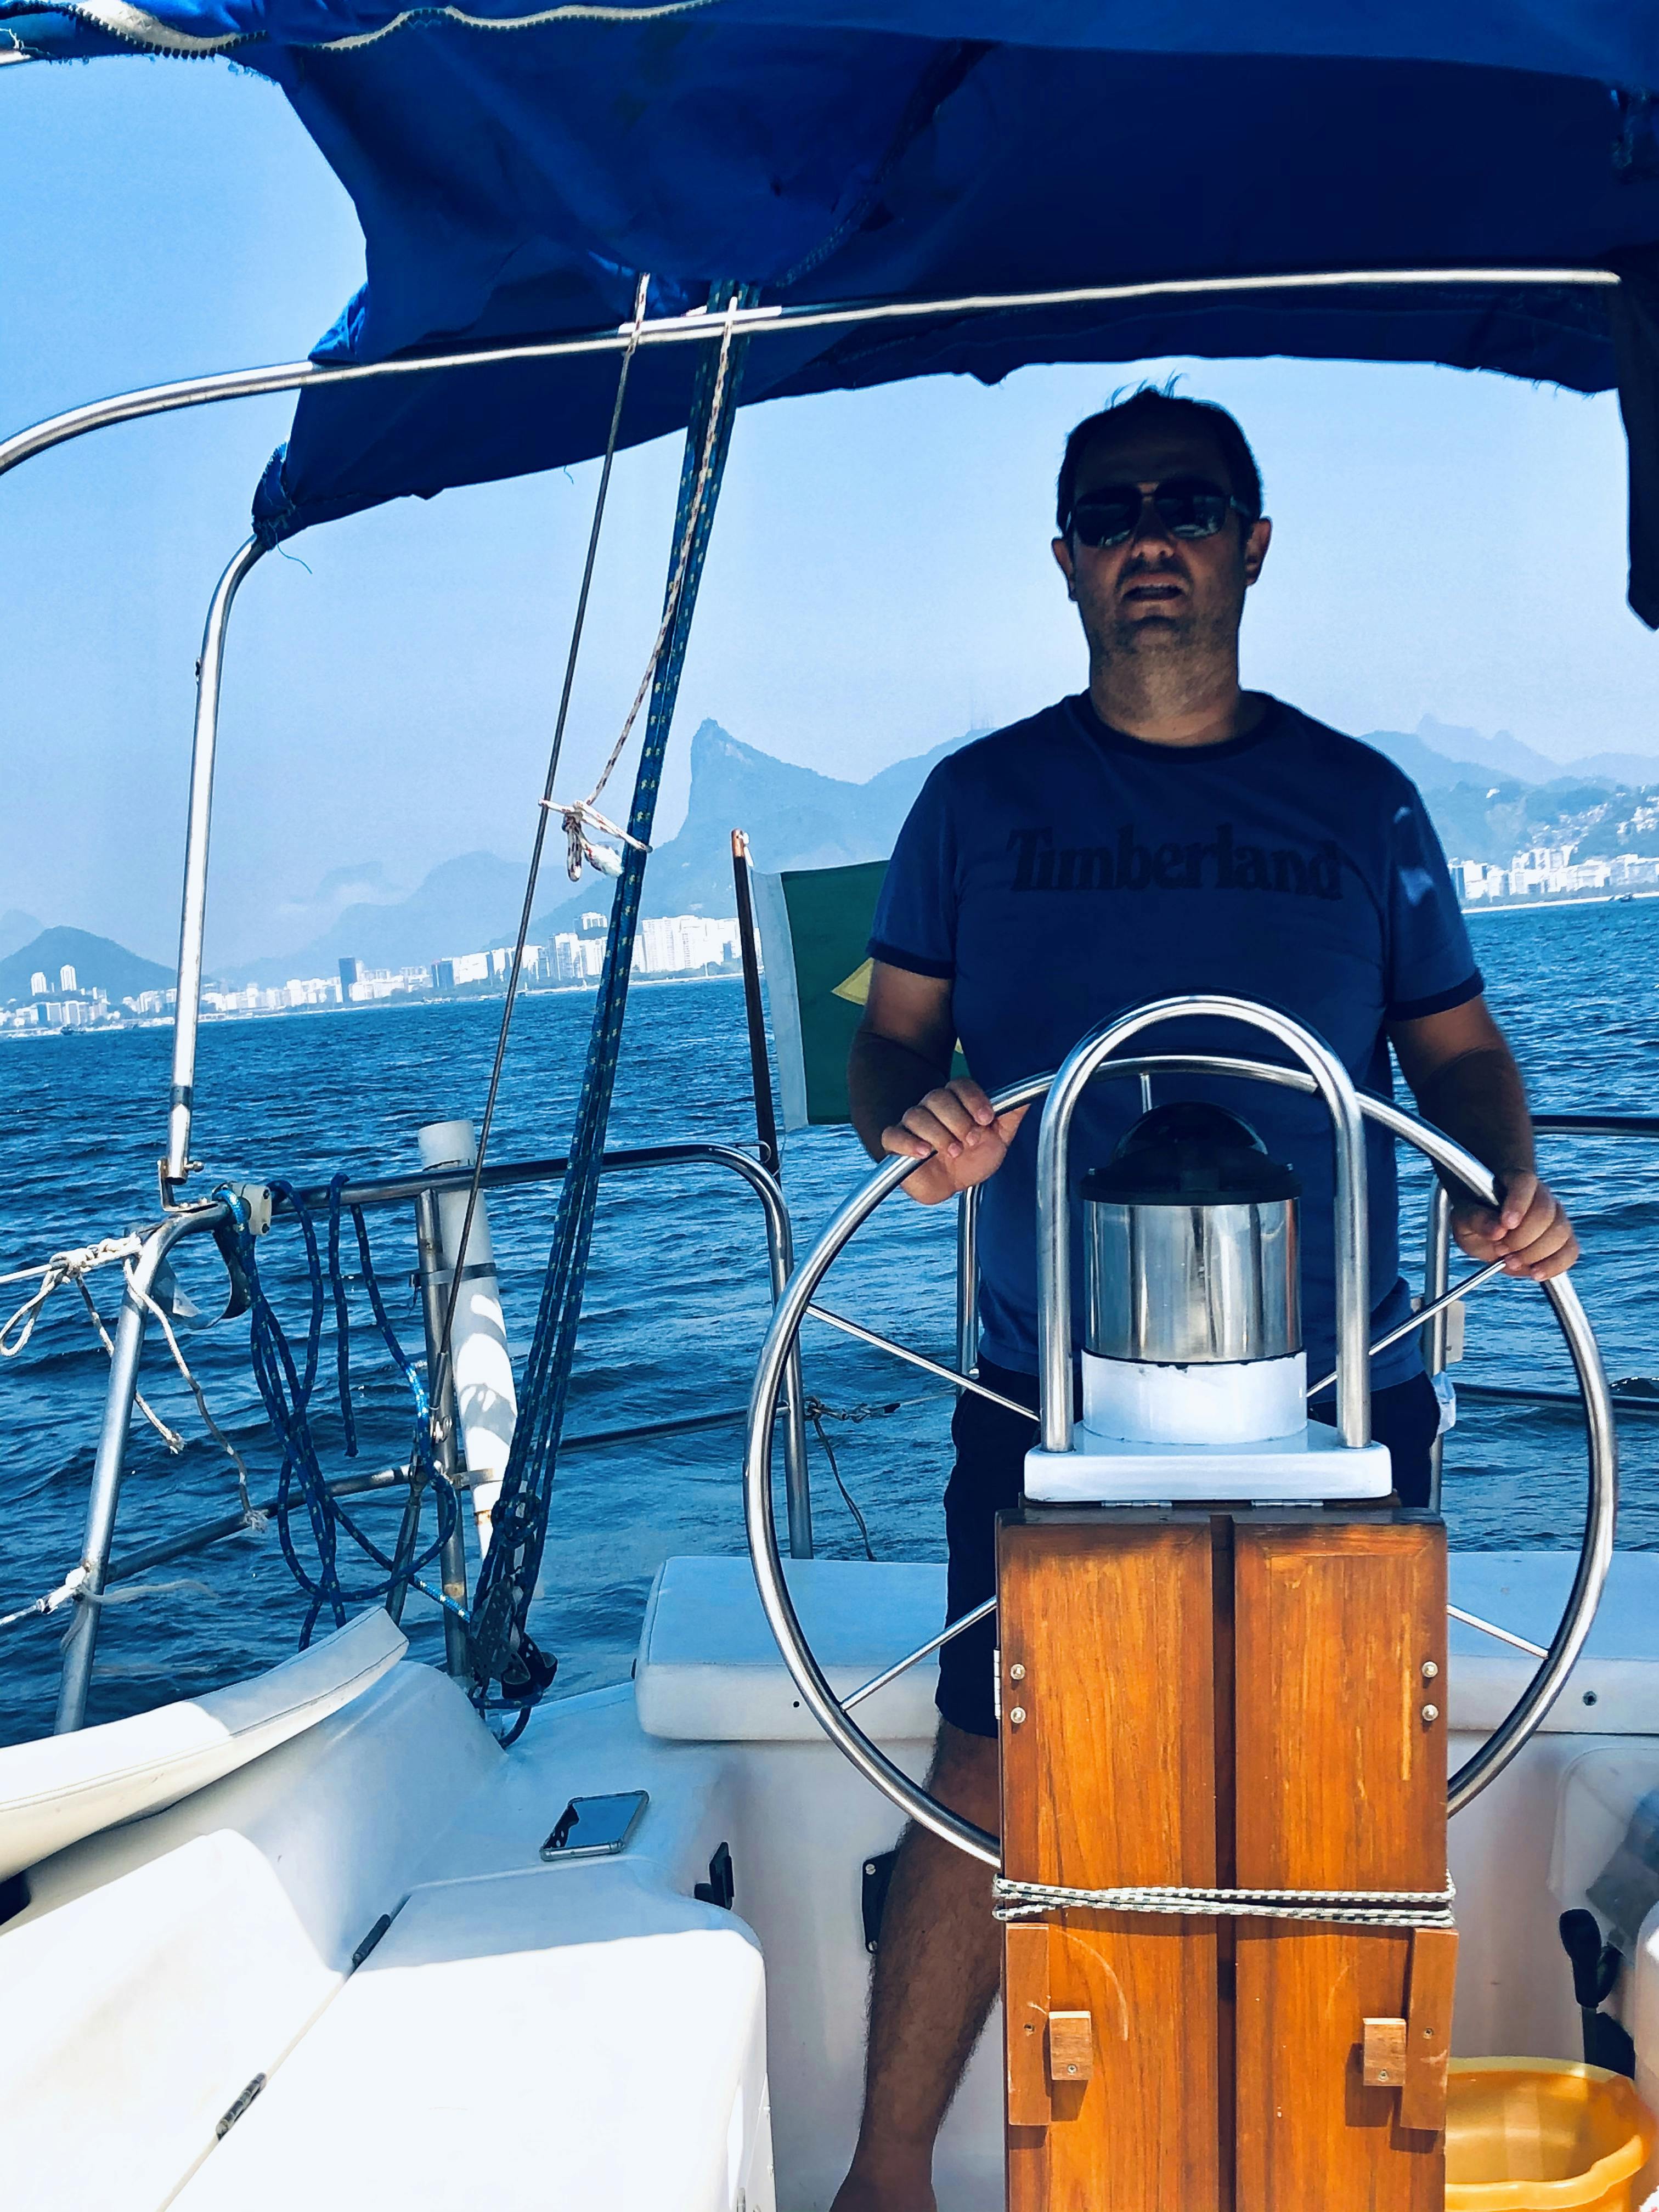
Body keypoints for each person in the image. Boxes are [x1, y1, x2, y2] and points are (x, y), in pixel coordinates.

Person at [834, 387, 1580, 2212]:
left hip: (1342, 1387)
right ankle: (882, 2177)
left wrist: (1498, 1179)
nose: (1148, 537)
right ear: (1068, 560)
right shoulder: (971, 805)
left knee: (1343, 1770)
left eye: (1185, 505)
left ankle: (1346, 2173)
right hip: (1044, 1389)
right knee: (989, 1763)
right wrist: (910, 1125)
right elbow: (893, 1041)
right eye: (1112, 513)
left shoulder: (1364, 804)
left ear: (1251, 545)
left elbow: (1458, 1054)